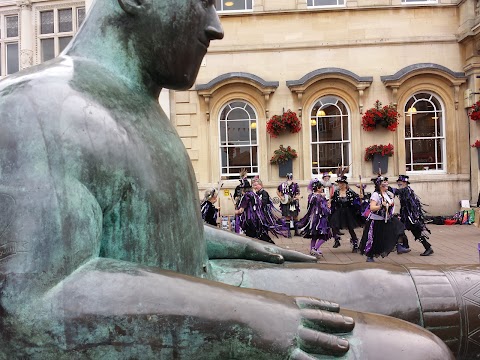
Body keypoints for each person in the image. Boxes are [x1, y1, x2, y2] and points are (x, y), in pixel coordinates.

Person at [0, 0, 458, 357]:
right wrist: (258, 321)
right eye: (202, 2)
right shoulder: (35, 108)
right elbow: (34, 301)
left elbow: (134, 231)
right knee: (415, 352)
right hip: (159, 317)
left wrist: (227, 243)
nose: (215, 26)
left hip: (204, 276)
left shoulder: (137, 105)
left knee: (389, 287)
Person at [359, 176, 399, 262]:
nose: (387, 184)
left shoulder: (387, 194)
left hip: (386, 219)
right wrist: (381, 206)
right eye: (384, 183)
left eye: (386, 182)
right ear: (380, 185)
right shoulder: (376, 195)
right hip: (376, 221)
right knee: (375, 239)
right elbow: (372, 208)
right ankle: (370, 256)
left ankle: (400, 245)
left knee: (394, 231)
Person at [395, 175, 434, 256]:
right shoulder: (405, 190)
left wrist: (386, 187)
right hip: (406, 216)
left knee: (411, 231)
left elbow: (397, 192)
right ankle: (406, 245)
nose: (399, 183)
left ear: (405, 182)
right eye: (398, 182)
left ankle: (426, 248)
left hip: (410, 217)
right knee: (403, 229)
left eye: (400, 182)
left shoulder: (406, 190)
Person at [295, 178, 332, 257]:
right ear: (318, 188)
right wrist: (328, 208)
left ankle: (312, 250)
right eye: (321, 187)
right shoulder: (320, 197)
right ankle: (314, 249)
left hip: (313, 219)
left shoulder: (311, 196)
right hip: (320, 219)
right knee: (325, 235)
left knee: (314, 235)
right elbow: (323, 209)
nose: (322, 188)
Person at [329, 176, 362, 252]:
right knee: (333, 225)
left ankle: (355, 243)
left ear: (345, 184)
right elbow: (333, 200)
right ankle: (337, 240)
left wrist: (360, 197)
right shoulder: (337, 192)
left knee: (350, 228)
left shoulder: (350, 192)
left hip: (348, 212)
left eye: (341, 183)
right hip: (339, 211)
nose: (340, 185)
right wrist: (330, 203)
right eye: (339, 183)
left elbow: (356, 198)